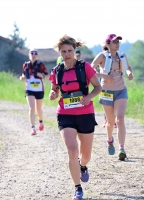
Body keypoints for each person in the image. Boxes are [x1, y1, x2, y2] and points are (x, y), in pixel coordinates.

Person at [48, 35, 101, 200]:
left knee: (85, 156)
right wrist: (53, 93)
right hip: (65, 114)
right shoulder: (57, 71)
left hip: (85, 113)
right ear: (60, 53)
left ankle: (83, 166)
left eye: (69, 50)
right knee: (72, 151)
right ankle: (77, 188)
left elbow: (98, 87)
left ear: (74, 50)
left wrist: (89, 97)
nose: (67, 54)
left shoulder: (84, 67)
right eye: (63, 51)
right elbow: (54, 89)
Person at [91, 34, 134, 161]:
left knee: (120, 119)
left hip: (121, 90)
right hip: (106, 91)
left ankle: (122, 148)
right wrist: (102, 76)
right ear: (108, 44)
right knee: (110, 122)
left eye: (118, 42)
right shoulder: (102, 56)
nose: (117, 44)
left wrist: (129, 73)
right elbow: (89, 70)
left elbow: (128, 67)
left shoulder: (122, 55)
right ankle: (109, 140)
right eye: (114, 42)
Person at [19, 48, 48, 135]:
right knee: (32, 108)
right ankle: (32, 128)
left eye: (35, 53)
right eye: (32, 53)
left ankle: (41, 121)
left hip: (39, 88)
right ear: (29, 54)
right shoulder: (26, 65)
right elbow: (24, 74)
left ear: (37, 55)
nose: (34, 54)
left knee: (38, 108)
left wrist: (41, 75)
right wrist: (22, 77)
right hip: (29, 88)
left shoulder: (41, 65)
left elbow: (47, 76)